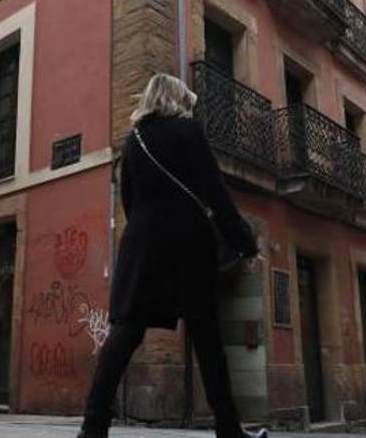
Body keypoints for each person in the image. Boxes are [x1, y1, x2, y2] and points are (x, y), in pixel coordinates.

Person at [78, 73, 267, 438]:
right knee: (207, 340)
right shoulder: (189, 132)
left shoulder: (133, 141)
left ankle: (92, 427)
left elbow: (129, 198)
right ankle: (229, 431)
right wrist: (244, 243)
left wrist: (147, 234)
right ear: (177, 100)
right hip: (188, 244)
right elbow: (216, 193)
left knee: (124, 332)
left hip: (142, 243)